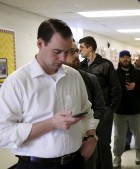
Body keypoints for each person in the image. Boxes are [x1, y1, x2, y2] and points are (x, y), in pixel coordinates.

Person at [0, 18, 99, 169]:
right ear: (40, 44)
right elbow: (3, 133)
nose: (63, 58)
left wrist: (91, 137)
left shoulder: (74, 76)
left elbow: (87, 111)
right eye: (57, 52)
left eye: (67, 52)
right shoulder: (17, 82)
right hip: (36, 165)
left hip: (75, 162)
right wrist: (51, 123)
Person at [63, 40, 107, 169]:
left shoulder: (89, 79)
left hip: (85, 142)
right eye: (72, 52)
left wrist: (89, 133)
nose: (77, 55)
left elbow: (100, 109)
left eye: (77, 51)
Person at [79, 36, 122, 169]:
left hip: (103, 113)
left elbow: (116, 89)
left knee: (103, 145)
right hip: (87, 114)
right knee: (89, 145)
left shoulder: (105, 64)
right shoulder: (80, 66)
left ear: (90, 48)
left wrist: (110, 110)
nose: (79, 51)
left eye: (81, 48)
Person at [113, 50, 140, 168]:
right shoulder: (114, 74)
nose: (125, 59)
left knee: (138, 134)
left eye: (127, 57)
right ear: (119, 59)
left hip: (136, 111)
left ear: (130, 58)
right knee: (118, 136)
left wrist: (135, 87)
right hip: (119, 111)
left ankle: (139, 153)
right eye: (122, 57)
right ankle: (117, 156)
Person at [124, 54, 140, 151]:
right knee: (127, 123)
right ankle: (127, 143)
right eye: (134, 59)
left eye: (137, 60)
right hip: (129, 101)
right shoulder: (129, 71)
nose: (135, 62)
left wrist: (135, 87)